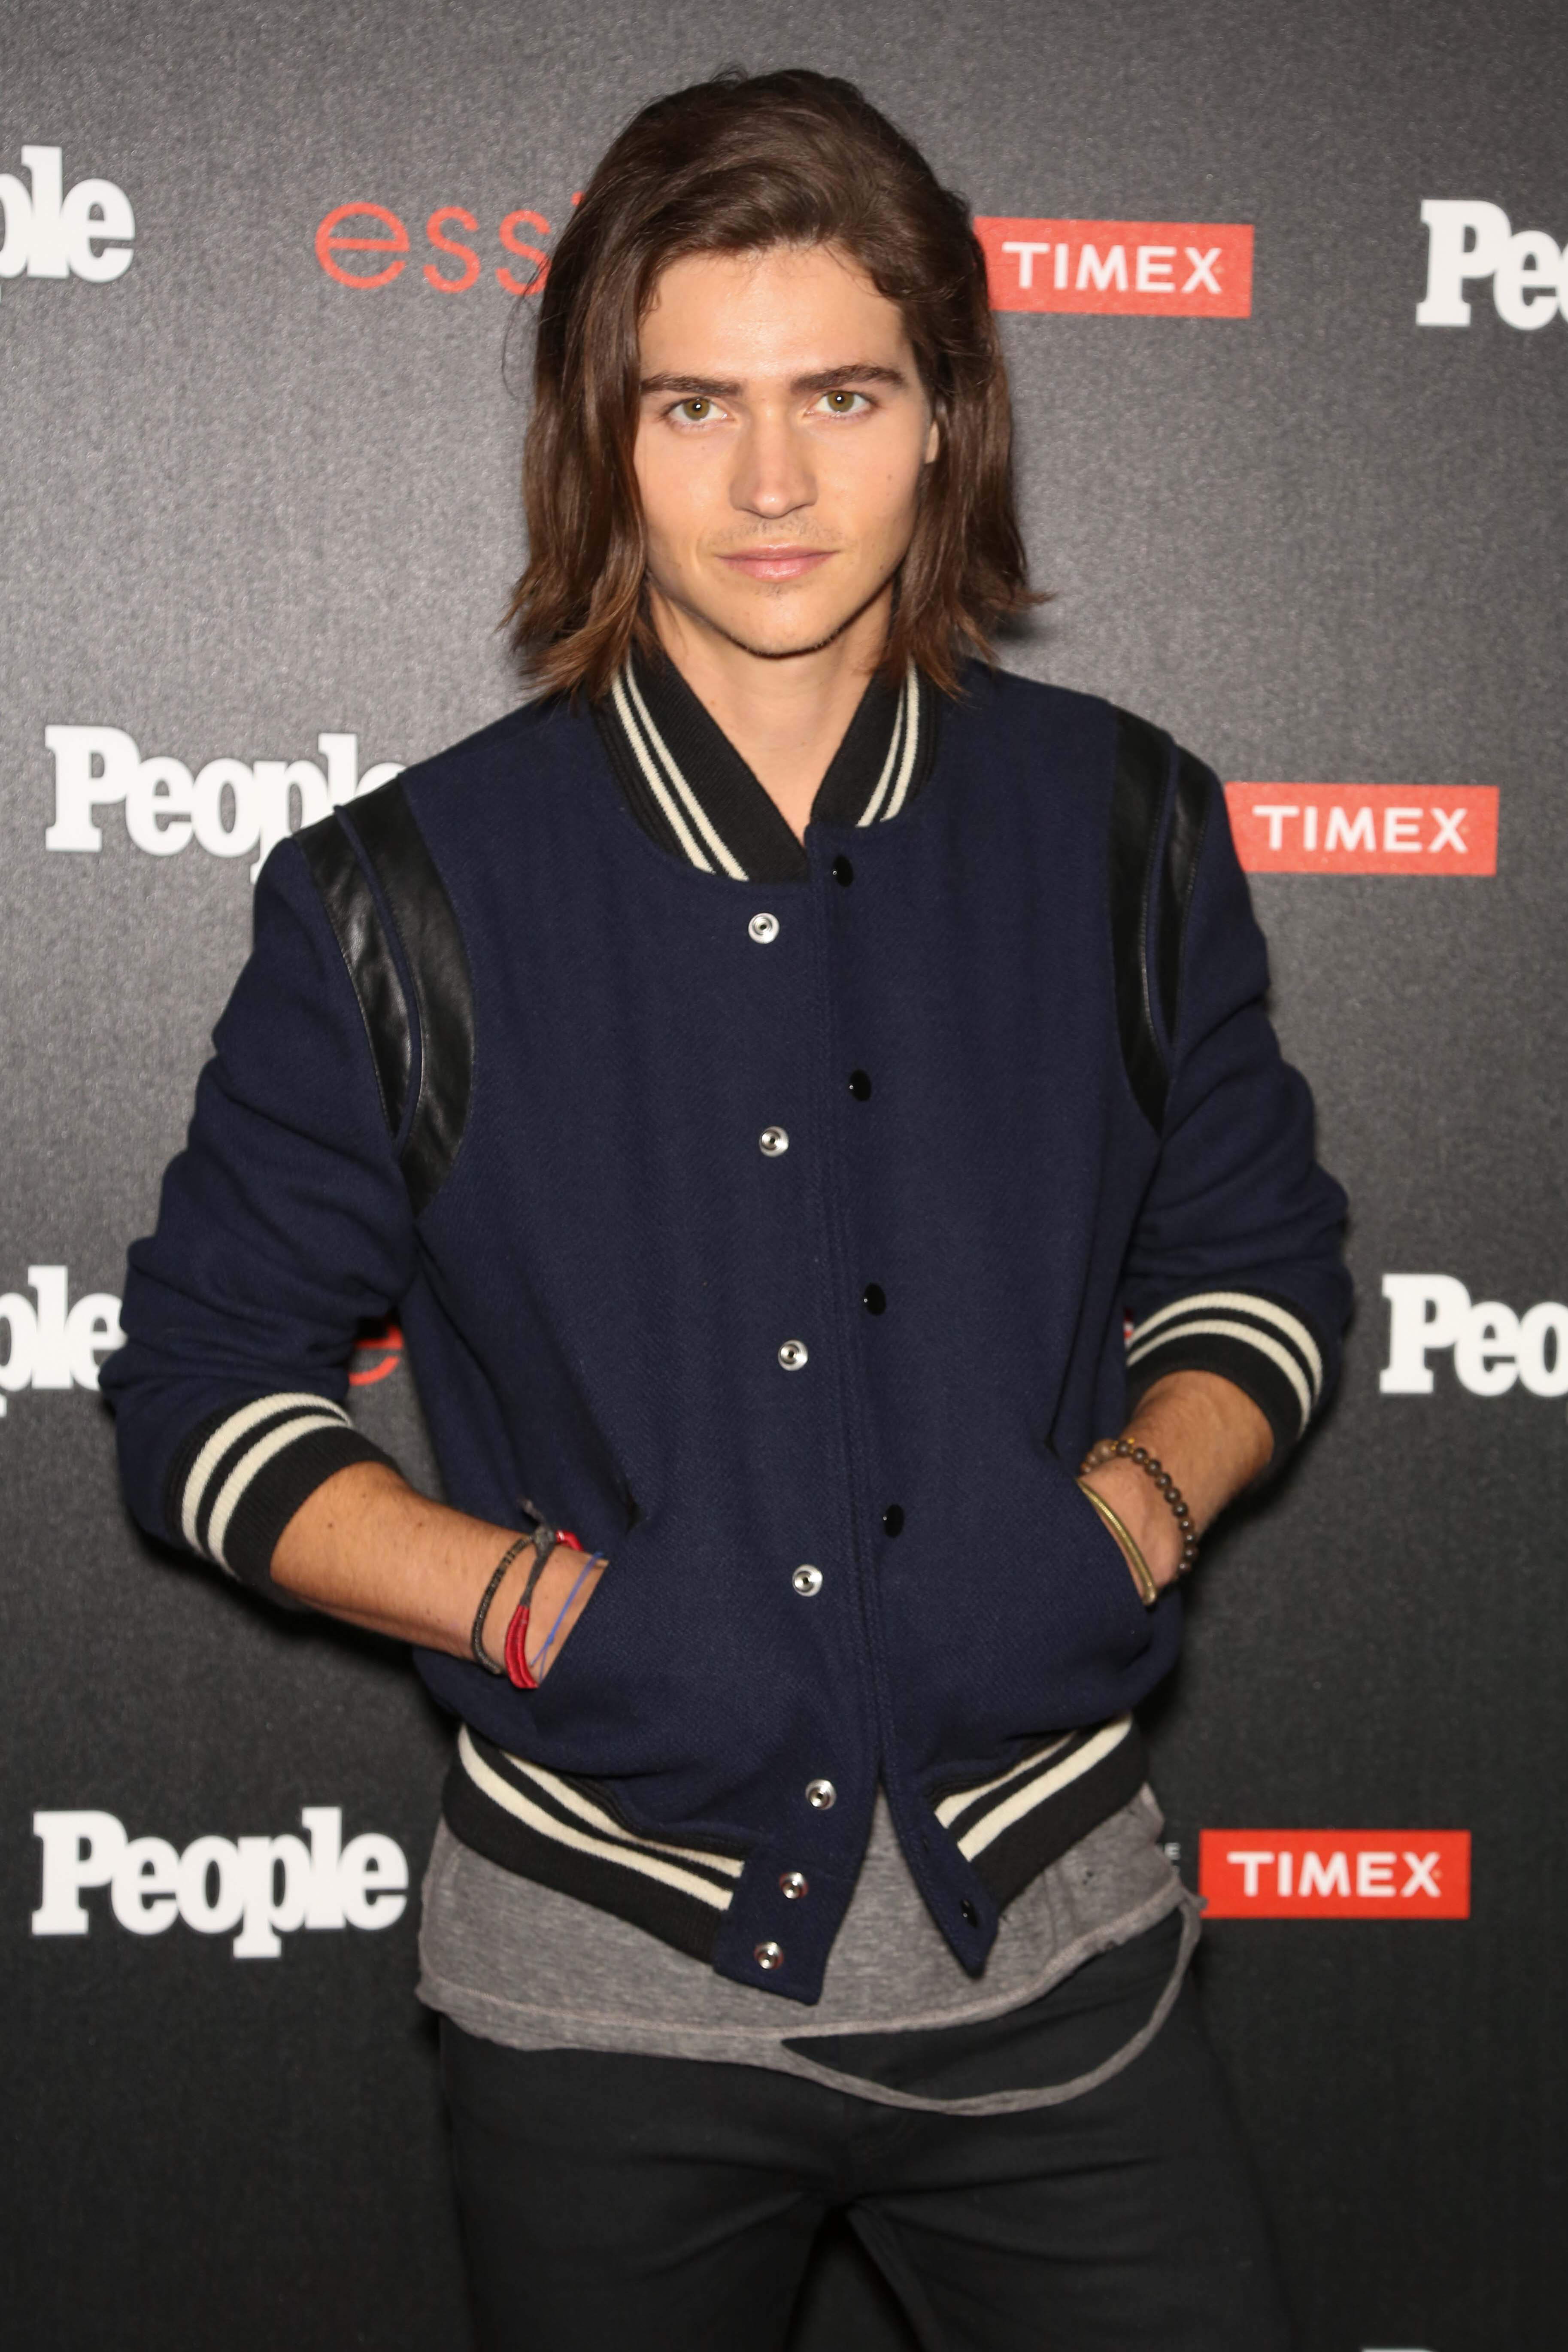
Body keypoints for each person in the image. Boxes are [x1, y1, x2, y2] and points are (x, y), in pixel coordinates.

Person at [104, 65, 1350, 2352]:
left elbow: (1255, 1264)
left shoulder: (1124, 828)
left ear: (948, 417)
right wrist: (533, 1605)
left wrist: (1143, 1504)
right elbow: (196, 1392)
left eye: (841, 394)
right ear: (599, 435)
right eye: (694, 404)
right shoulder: (401, 890)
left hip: (1059, 1950)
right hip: (598, 2008)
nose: (772, 483)